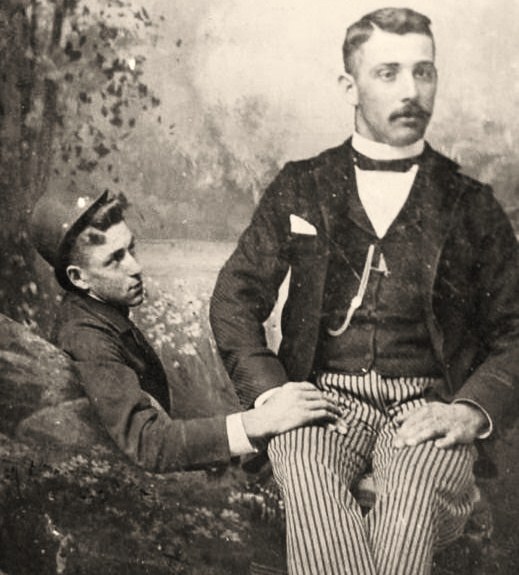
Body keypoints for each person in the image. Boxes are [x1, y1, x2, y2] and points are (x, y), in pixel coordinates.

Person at [210, 7, 519, 575]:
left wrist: (470, 412)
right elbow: (235, 298)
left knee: (412, 489)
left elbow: (516, 331)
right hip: (324, 399)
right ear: (349, 86)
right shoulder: (302, 183)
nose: (411, 91)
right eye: (388, 73)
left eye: (423, 72)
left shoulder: (471, 204)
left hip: (427, 405)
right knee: (303, 461)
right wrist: (272, 394)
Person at [29, 183, 340, 473]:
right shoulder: (86, 336)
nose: (135, 267)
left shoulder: (98, 314)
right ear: (78, 277)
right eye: (114, 260)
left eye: (131, 249)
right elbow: (148, 443)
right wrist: (259, 422)